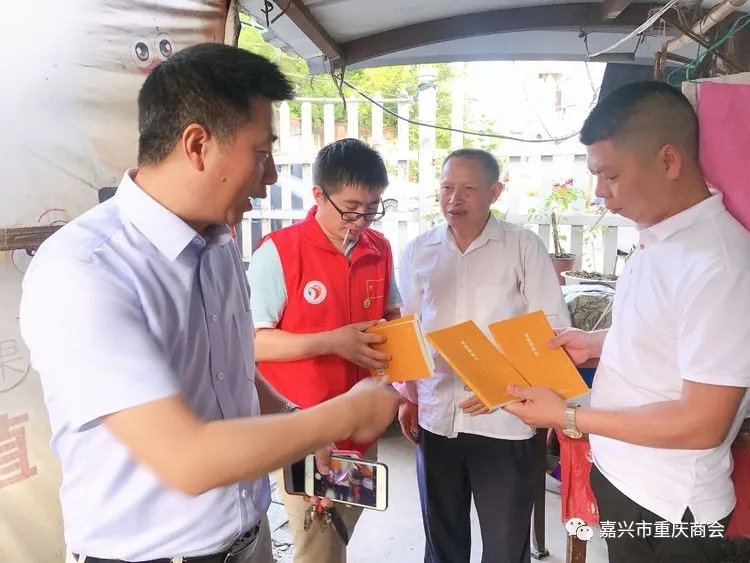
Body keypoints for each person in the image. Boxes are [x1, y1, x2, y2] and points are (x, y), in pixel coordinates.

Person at [18, 43, 400, 563]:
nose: (270, 177)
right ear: (197, 145)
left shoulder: (217, 246)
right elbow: (187, 459)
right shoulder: (85, 270)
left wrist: (296, 421)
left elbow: (234, 373)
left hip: (247, 540)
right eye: (261, 153)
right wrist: (341, 415)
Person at [504, 80, 750, 563]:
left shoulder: (719, 262)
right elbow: (670, 332)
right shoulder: (659, 237)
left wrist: (568, 416)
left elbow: (702, 423)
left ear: (669, 161)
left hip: (672, 511)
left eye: (610, 175)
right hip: (625, 477)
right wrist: (597, 342)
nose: (600, 193)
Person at [395, 148, 571, 563]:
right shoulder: (419, 250)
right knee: (442, 542)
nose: (454, 199)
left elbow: (550, 330)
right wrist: (408, 395)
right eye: (446, 188)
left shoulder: (522, 246)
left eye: (468, 189)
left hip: (506, 422)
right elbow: (409, 329)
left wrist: (509, 387)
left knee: (505, 547)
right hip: (438, 417)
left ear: (494, 192)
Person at [247, 137, 402, 563]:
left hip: (362, 425)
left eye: (373, 208)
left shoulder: (378, 248)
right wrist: (334, 341)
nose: (362, 220)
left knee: (339, 530)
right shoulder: (280, 251)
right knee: (320, 540)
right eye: (351, 208)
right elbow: (252, 342)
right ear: (318, 194)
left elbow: (391, 318)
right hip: (305, 426)